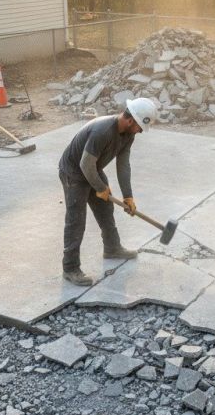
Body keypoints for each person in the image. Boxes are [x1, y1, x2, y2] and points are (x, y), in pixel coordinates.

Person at [58, 97, 158, 285]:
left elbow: (123, 164)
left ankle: (112, 248)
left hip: (92, 169)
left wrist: (128, 196)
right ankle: (70, 268)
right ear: (130, 121)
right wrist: (101, 188)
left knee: (105, 209)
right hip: (74, 173)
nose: (141, 132)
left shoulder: (129, 134)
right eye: (140, 127)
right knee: (76, 220)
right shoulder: (102, 130)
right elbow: (85, 164)